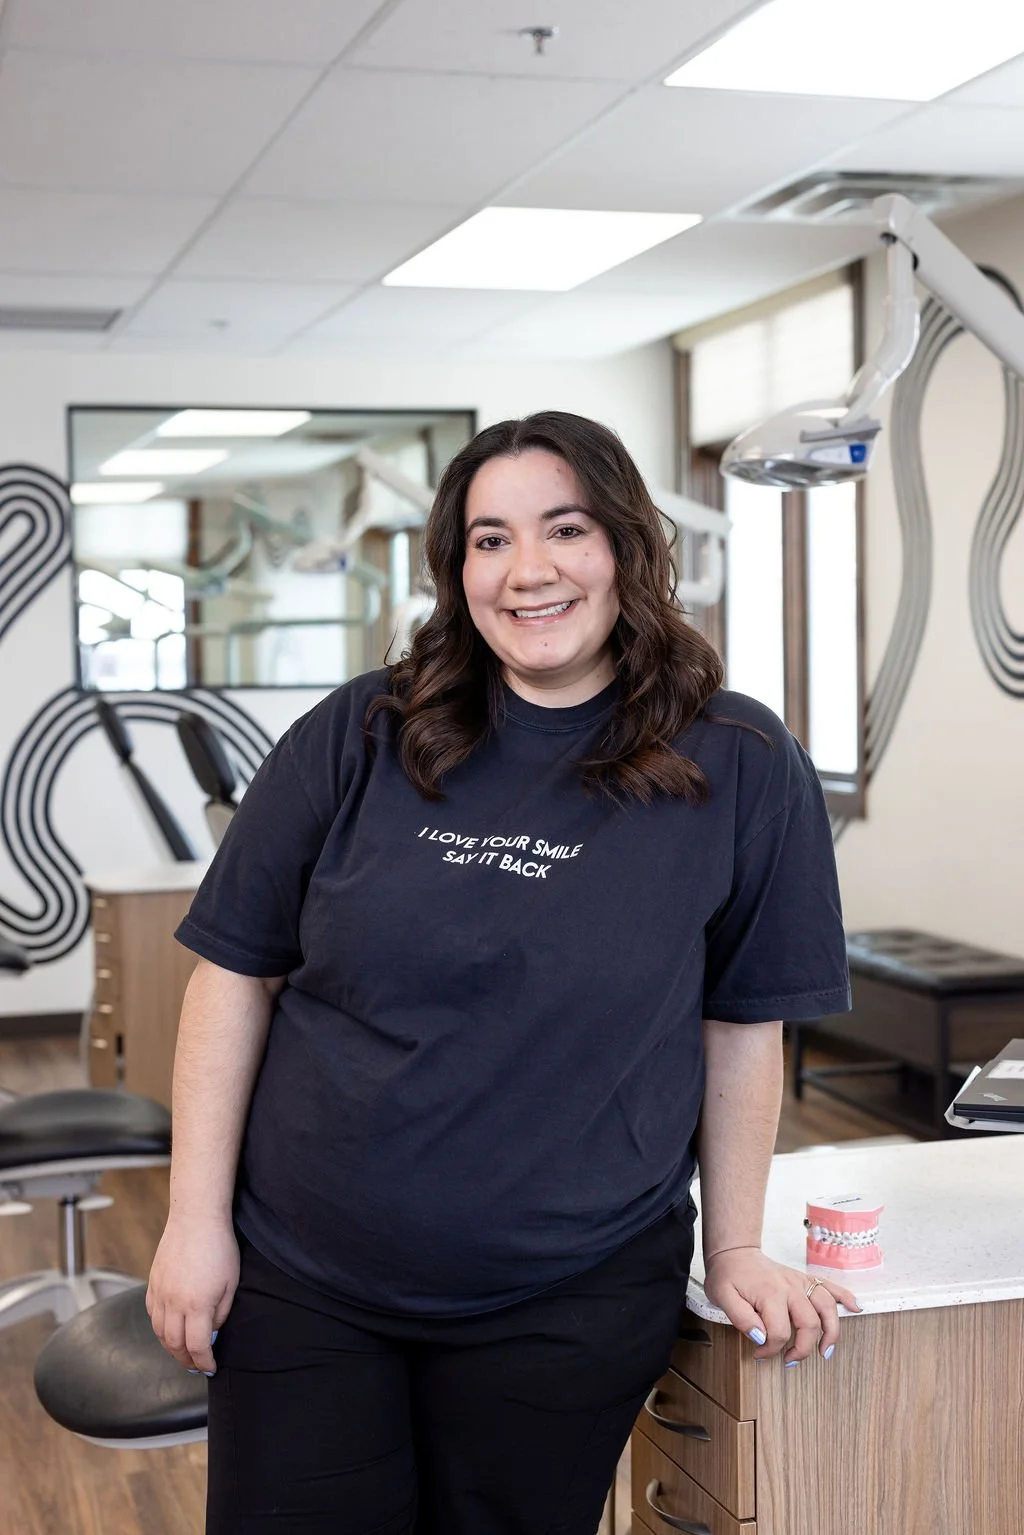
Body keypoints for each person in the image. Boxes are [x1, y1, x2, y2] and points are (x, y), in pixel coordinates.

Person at [147, 410, 859, 1535]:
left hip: (564, 1297)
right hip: (304, 1273)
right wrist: (195, 1218)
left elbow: (741, 1020)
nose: (526, 570)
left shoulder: (741, 763)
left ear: (626, 543)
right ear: (455, 566)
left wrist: (732, 1243)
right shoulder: (359, 733)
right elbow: (235, 975)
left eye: (564, 528)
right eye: (489, 539)